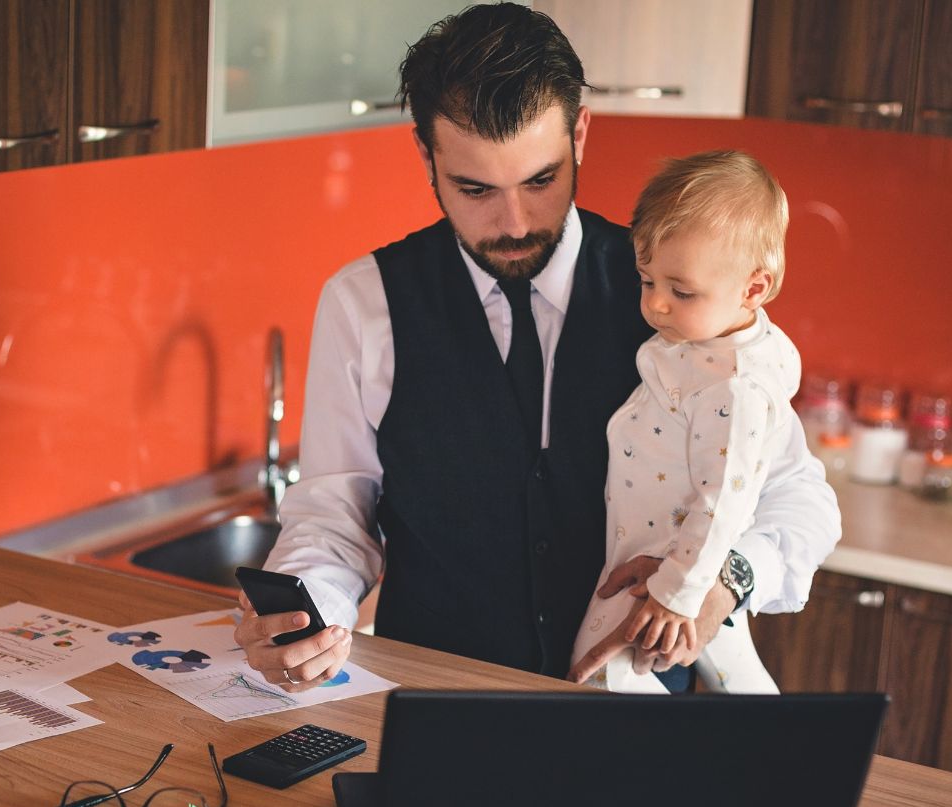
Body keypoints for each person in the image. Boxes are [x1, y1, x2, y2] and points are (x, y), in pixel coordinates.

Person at [234, 3, 839, 692]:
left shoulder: (679, 295)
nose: (514, 222)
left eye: (540, 181)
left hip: (633, 723)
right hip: (432, 714)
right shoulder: (363, 303)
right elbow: (333, 518)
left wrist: (725, 583)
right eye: (475, 189)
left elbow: (798, 497)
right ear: (425, 153)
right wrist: (305, 609)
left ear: (580, 134)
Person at [567, 150, 808, 695]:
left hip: (671, 569)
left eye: (681, 291)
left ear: (753, 289)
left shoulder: (735, 386)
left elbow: (726, 498)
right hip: (675, 561)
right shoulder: (705, 343)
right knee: (735, 675)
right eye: (646, 280)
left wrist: (677, 593)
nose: (655, 306)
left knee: (598, 671)